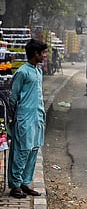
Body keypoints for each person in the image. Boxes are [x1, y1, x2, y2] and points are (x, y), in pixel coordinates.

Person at [8, 39, 47, 198]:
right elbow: (13, 97)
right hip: (24, 117)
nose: (44, 56)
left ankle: (26, 182)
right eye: (42, 53)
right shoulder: (22, 72)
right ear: (35, 54)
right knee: (22, 150)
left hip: (37, 117)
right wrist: (15, 117)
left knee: (34, 149)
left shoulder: (38, 71)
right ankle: (15, 185)